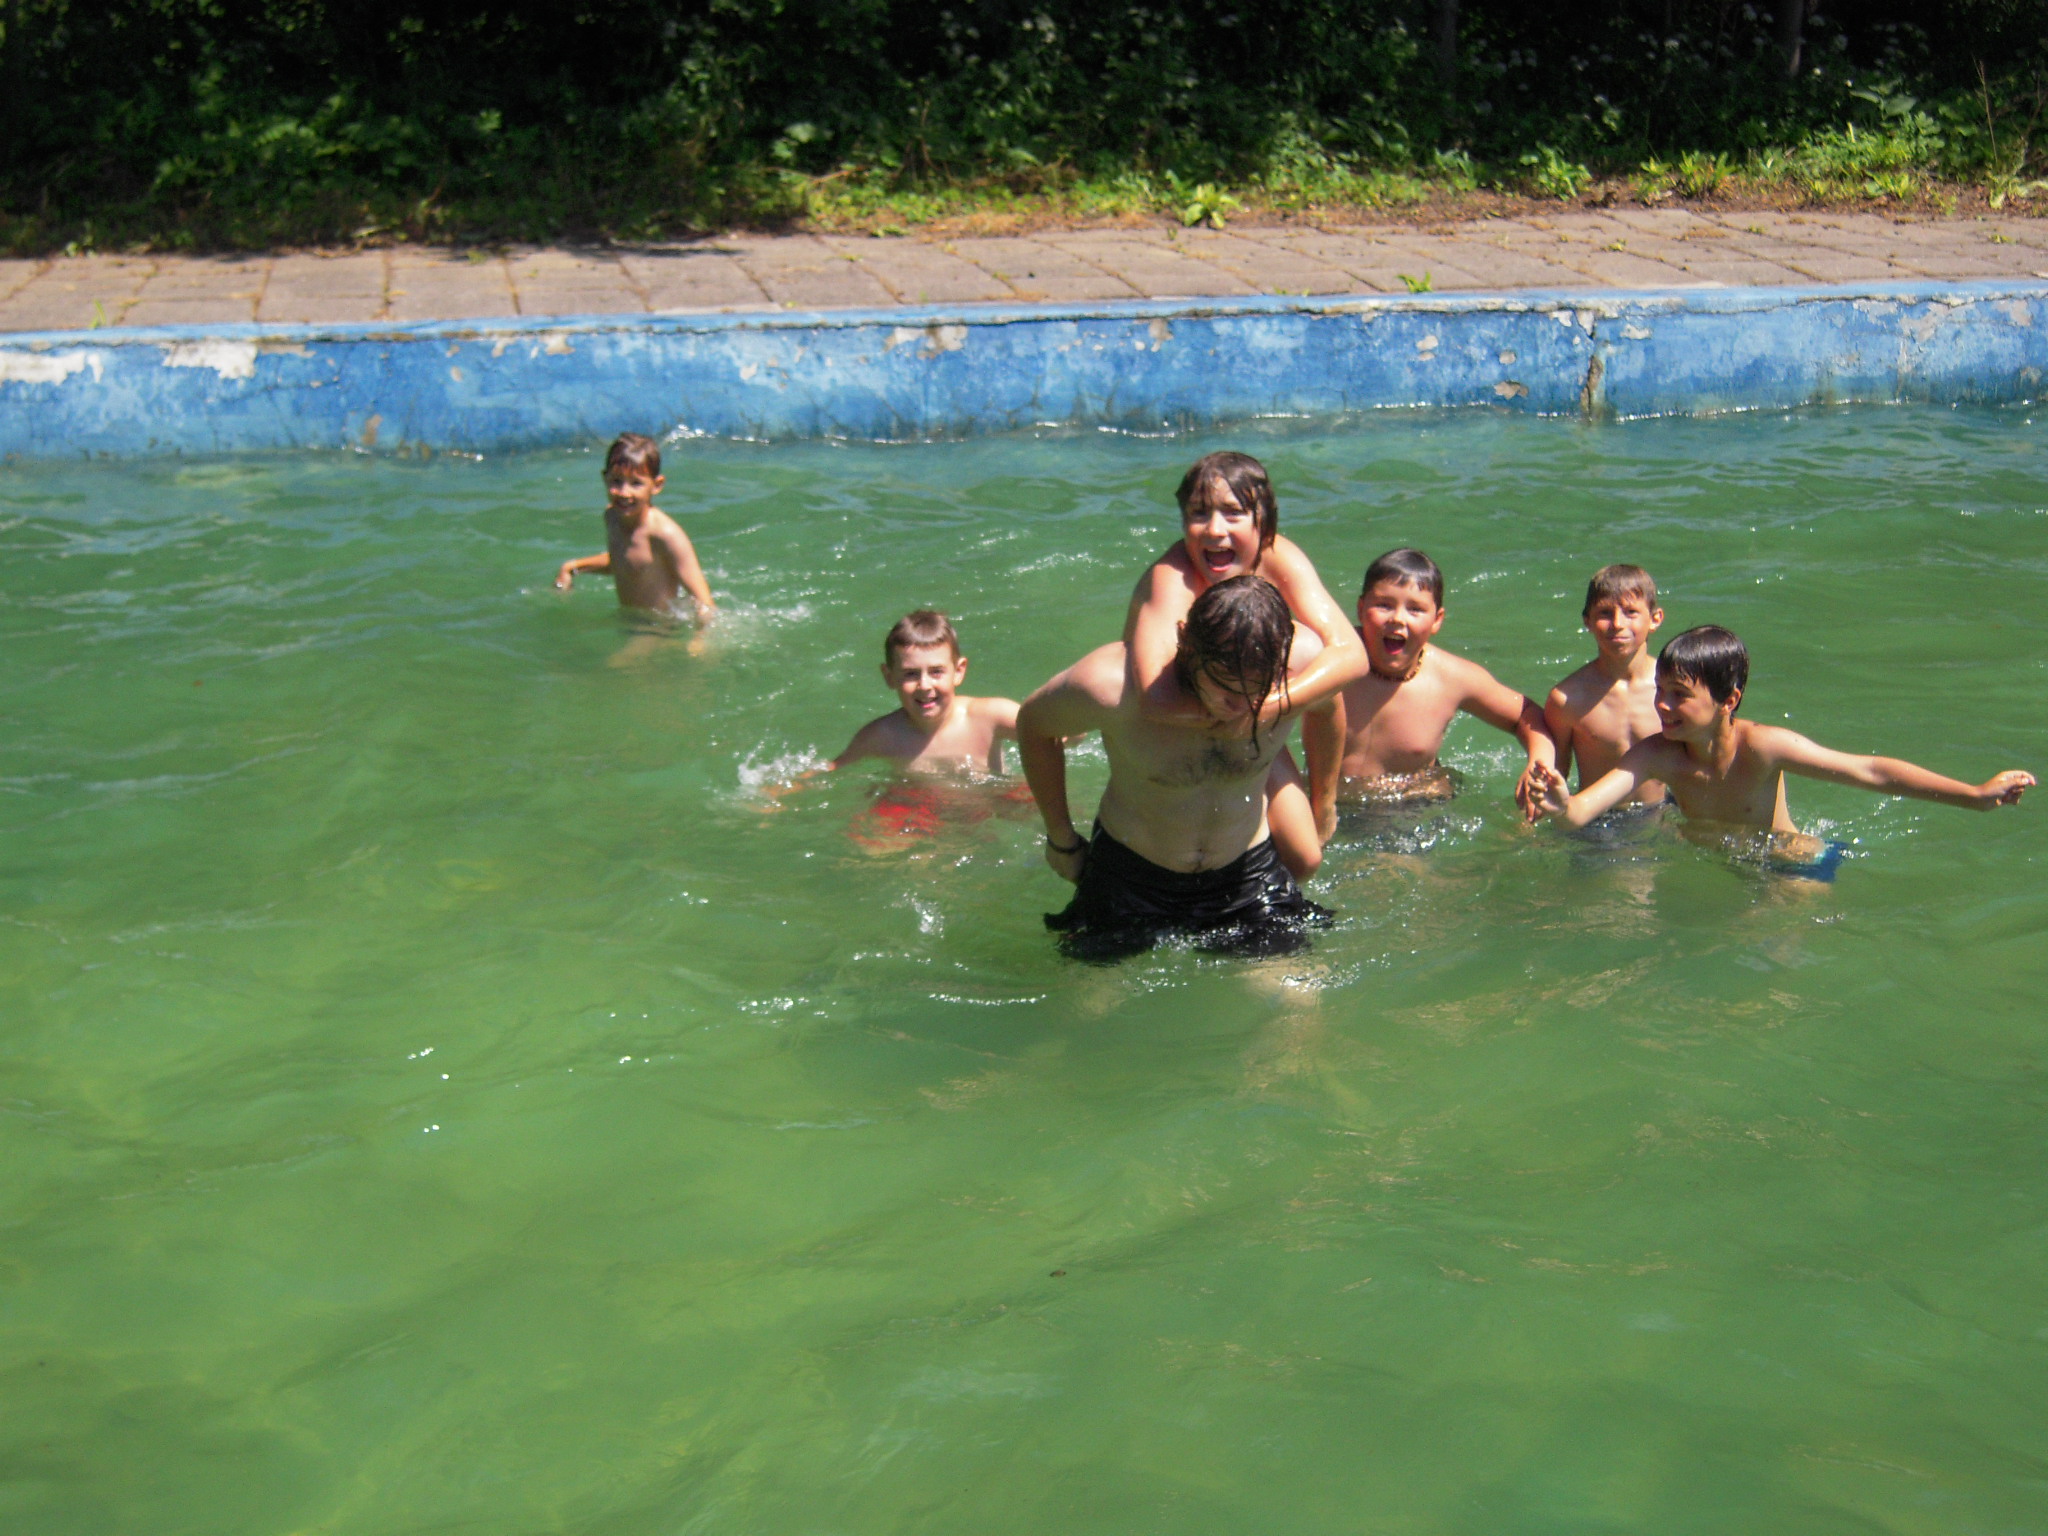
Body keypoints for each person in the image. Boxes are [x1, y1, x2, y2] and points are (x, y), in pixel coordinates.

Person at [1530, 624, 2033, 877]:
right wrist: (1560, 804)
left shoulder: (1764, 746)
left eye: (1679, 694)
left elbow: (1870, 771)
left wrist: (1973, 795)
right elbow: (1581, 811)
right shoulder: (1656, 754)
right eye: (1660, 691)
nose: (1661, 704)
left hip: (1789, 865)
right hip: (1720, 867)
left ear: (1729, 700)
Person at [1016, 576, 1348, 960]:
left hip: (1247, 874)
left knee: (1299, 994)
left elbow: (1328, 709)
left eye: (1256, 692)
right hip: (1130, 876)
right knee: (1089, 996)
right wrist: (1061, 838)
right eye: (1224, 687)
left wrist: (1324, 803)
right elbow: (1034, 725)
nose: (1241, 709)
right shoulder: (1111, 685)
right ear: (1185, 642)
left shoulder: (1302, 665)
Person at [1122, 451, 1368, 881]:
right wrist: (1254, 712)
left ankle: (1324, 800)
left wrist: (1267, 707)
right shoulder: (1172, 578)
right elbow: (1156, 700)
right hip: (1175, 720)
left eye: (1233, 513)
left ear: (1264, 524)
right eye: (1199, 513)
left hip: (1243, 708)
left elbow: (1351, 655)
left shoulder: (1278, 557)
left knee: (1305, 859)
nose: (1215, 530)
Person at [1336, 548, 1555, 810]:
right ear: (1361, 608)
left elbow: (1526, 715)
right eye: (1384, 605)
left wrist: (1538, 764)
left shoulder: (1451, 678)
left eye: (1415, 609)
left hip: (1414, 805)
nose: (1397, 619)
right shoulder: (1332, 660)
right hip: (1331, 802)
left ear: (1437, 620)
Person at [1542, 563, 1668, 809]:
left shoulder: (1674, 689)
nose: (1617, 623)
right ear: (1587, 621)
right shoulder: (1567, 699)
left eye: (1631, 612)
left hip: (1662, 810)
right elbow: (1555, 778)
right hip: (1597, 818)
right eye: (1605, 613)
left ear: (1655, 619)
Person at [831, 610, 1019, 774]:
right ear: (889, 677)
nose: (925, 685)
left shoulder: (991, 717)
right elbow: (833, 770)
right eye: (911, 674)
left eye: (936, 672)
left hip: (992, 799)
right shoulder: (882, 736)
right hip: (919, 801)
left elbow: (1037, 727)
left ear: (958, 671)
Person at [554, 433, 716, 620]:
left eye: (636, 483)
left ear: (656, 485)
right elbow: (624, 562)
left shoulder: (665, 535)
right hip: (630, 622)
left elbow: (705, 604)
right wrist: (573, 567)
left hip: (660, 628)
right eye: (616, 481)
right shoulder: (612, 517)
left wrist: (699, 636)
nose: (624, 493)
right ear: (605, 479)